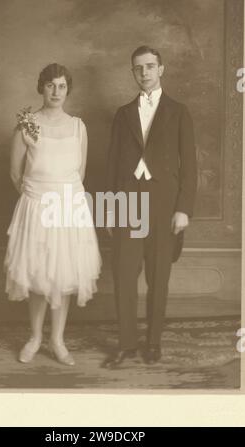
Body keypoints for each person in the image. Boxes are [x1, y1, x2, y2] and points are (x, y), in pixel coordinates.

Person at [103, 46, 197, 368]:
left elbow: (191, 166)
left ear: (161, 69)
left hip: (163, 205)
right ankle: (126, 344)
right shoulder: (123, 113)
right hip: (128, 204)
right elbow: (113, 164)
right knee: (125, 276)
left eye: (150, 66)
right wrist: (111, 211)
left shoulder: (179, 111)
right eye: (138, 68)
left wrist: (183, 208)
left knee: (159, 277)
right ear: (133, 73)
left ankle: (153, 343)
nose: (144, 73)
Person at [3, 63, 102, 365]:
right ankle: (34, 337)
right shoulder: (28, 124)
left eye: (61, 86)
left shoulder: (78, 127)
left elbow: (79, 172)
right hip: (36, 208)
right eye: (50, 85)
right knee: (37, 274)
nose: (56, 92)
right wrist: (37, 199)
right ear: (41, 88)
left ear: (68, 89)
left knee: (64, 274)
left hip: (69, 209)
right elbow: (14, 172)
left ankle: (58, 340)